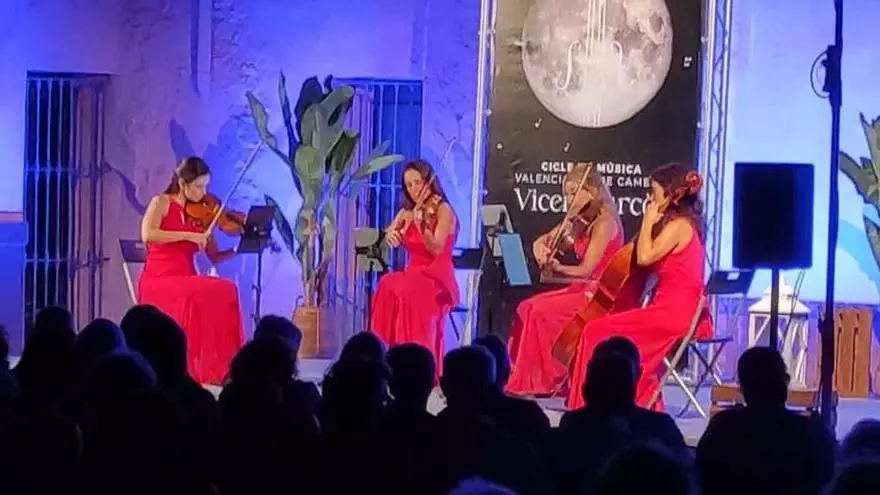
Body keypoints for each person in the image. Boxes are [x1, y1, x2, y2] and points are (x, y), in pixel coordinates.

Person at [566, 163, 712, 410]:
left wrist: (647, 220)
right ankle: (627, 400)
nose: (650, 199)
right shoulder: (685, 224)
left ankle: (588, 406)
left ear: (670, 194)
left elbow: (645, 257)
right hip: (672, 310)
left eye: (653, 193)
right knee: (606, 331)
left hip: (672, 314)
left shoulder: (679, 226)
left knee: (594, 331)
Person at [506, 163, 624, 397]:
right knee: (525, 307)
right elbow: (546, 239)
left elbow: (587, 270)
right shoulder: (580, 220)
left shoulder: (605, 223)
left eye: (573, 193)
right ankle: (521, 374)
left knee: (539, 312)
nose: (569, 200)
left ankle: (543, 380)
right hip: (579, 289)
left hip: (597, 295)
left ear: (592, 191)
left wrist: (559, 268)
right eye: (566, 195)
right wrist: (538, 246)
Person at [139, 156, 244, 385]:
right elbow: (148, 234)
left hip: (186, 278)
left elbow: (214, 256)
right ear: (182, 183)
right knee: (198, 293)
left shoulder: (201, 215)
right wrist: (189, 235)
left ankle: (224, 368)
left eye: (205, 186)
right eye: (198, 186)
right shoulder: (161, 202)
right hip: (159, 279)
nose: (203, 193)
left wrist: (238, 249)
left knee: (227, 289)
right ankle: (192, 368)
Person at [370, 159, 459, 376]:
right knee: (387, 283)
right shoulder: (406, 213)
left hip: (437, 276)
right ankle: (382, 357)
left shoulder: (443, 210)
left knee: (408, 289)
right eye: (408, 185)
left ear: (428, 182)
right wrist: (390, 235)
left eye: (417, 182)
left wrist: (422, 228)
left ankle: (416, 368)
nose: (413, 189)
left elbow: (437, 248)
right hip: (413, 273)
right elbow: (389, 232)